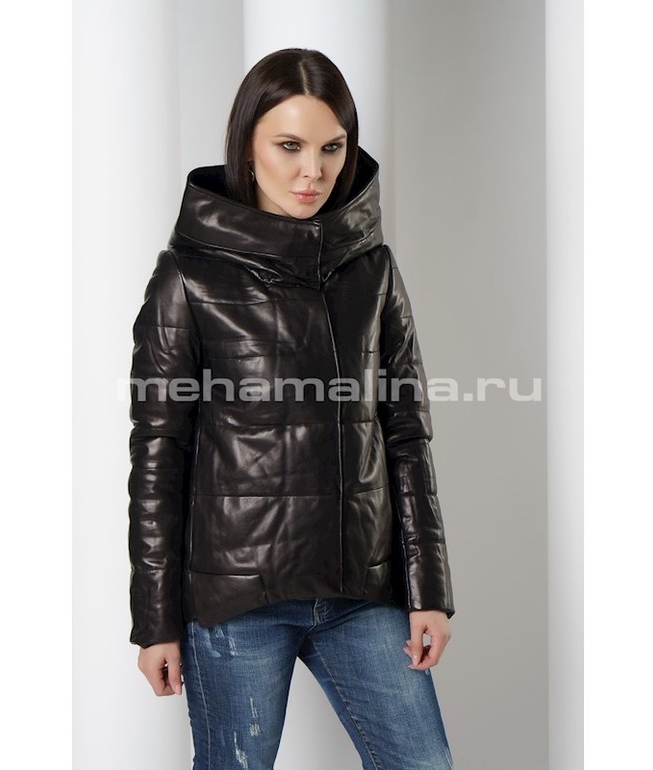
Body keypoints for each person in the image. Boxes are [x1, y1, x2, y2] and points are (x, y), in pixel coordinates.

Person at [128, 48, 456, 770]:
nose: (313, 171)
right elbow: (158, 453)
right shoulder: (187, 275)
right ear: (247, 145)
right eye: (289, 146)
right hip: (236, 600)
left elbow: (405, 434)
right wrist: (154, 619)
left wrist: (427, 589)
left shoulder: (372, 267)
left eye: (332, 148)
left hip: (362, 589)